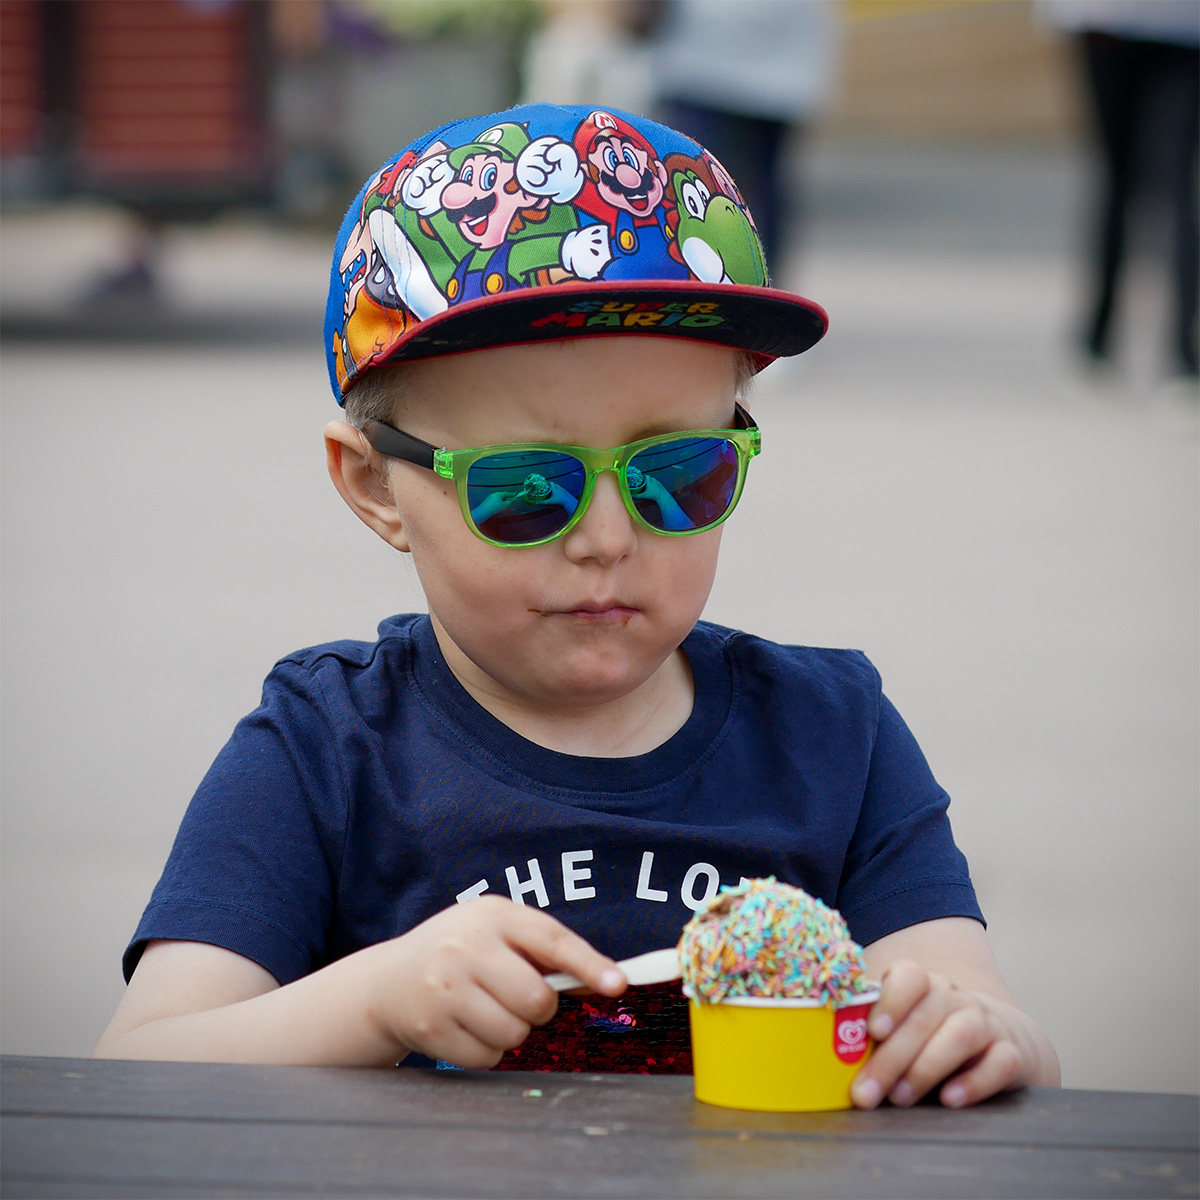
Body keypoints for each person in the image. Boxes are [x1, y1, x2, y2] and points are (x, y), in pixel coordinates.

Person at [94, 102, 1059, 1109]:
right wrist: (371, 1004)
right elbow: (132, 1070)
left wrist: (973, 1033)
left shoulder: (833, 736)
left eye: (678, 473)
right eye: (525, 487)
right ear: (377, 487)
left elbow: (977, 1010)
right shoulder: (325, 748)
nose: (606, 536)